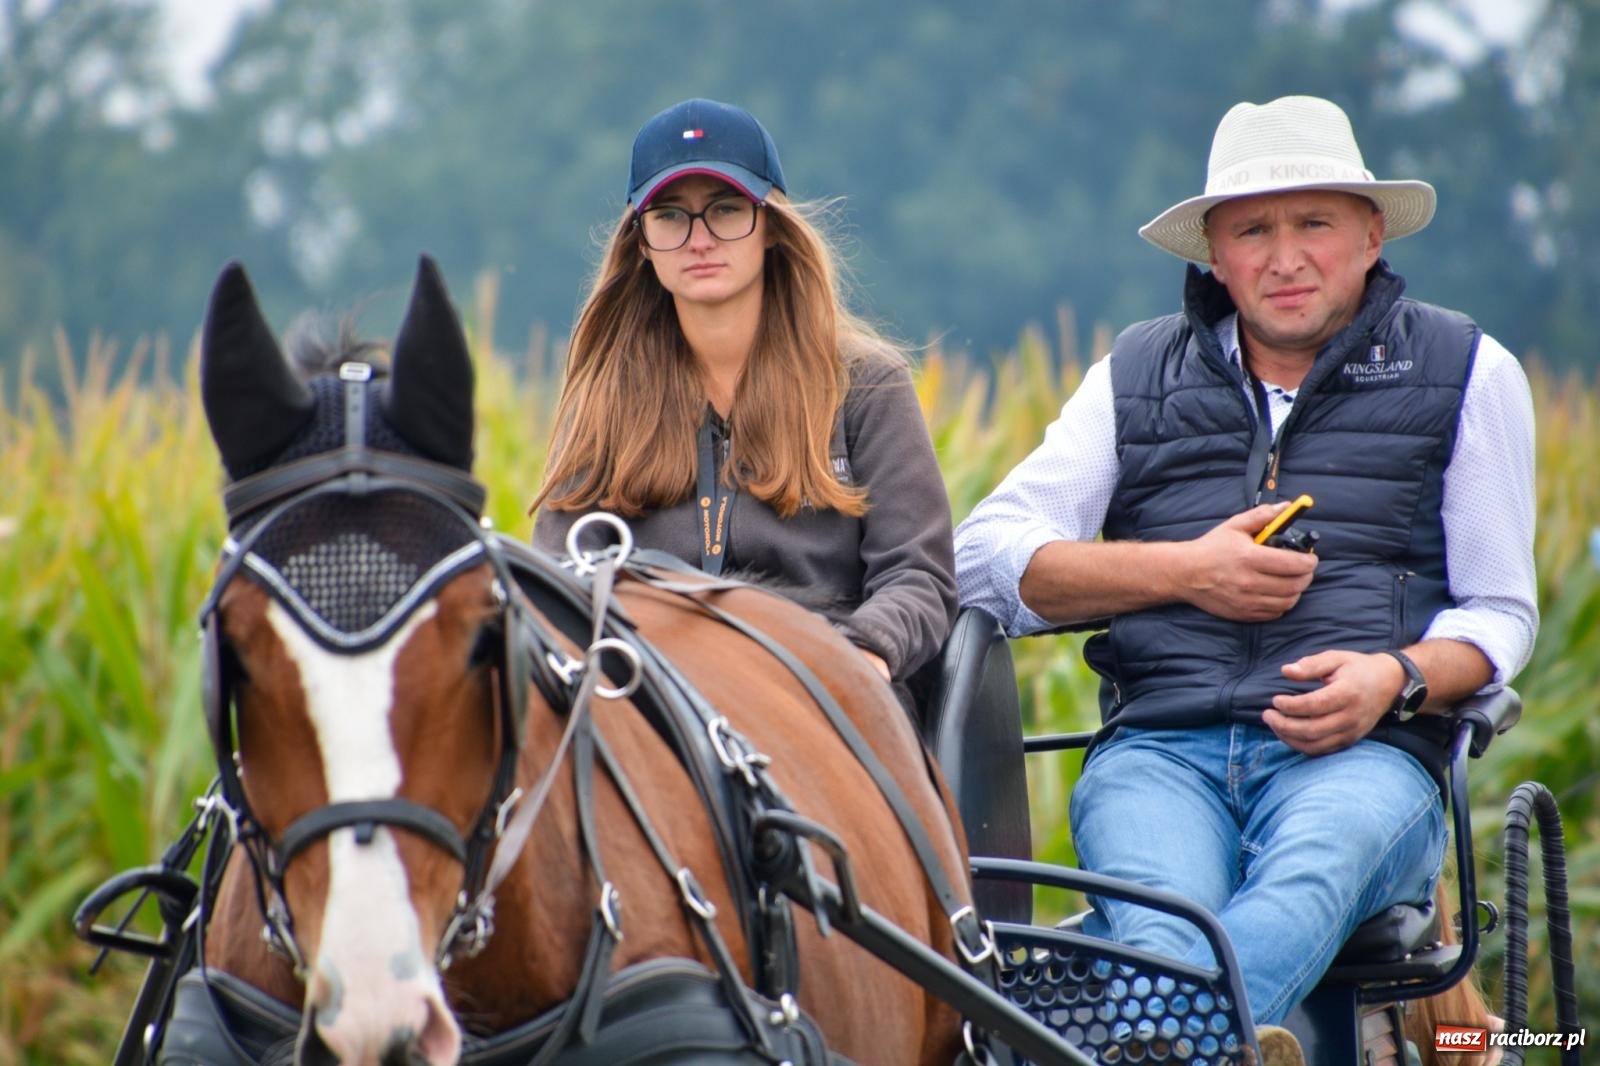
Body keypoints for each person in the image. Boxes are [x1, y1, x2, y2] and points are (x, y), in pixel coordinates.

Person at [954, 95, 1537, 1048]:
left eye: (1314, 222)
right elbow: (981, 561)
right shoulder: (1132, 374)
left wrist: (1393, 678)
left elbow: (1501, 612)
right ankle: (1222, 1043)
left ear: (1369, 232)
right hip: (1159, 756)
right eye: (1252, 230)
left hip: (1362, 759)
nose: (1285, 255)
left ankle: (1177, 1044)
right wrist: (1186, 571)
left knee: (1306, 869)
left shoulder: (1470, 369)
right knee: (1161, 908)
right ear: (1214, 257)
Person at [532, 98, 957, 701]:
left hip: (824, 689)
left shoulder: (867, 384)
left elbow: (918, 577)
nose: (699, 239)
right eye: (671, 216)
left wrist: (863, 654)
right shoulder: (605, 393)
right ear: (642, 243)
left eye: (726, 210)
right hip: (652, 693)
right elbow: (561, 573)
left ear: (773, 228)